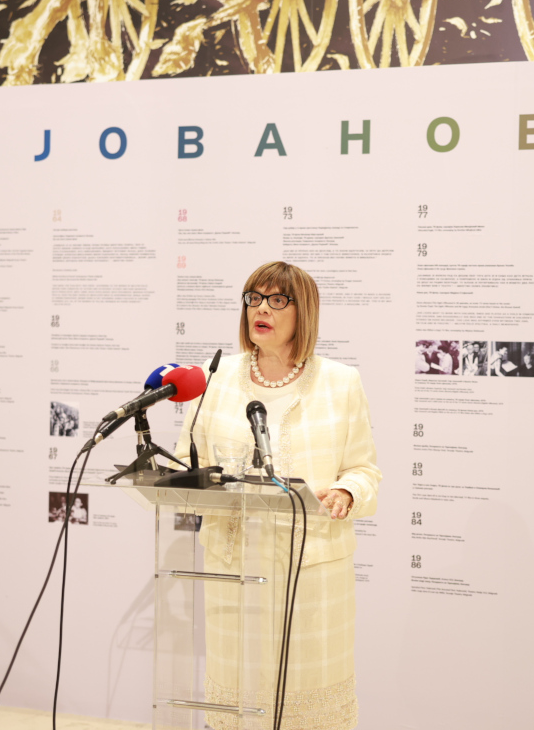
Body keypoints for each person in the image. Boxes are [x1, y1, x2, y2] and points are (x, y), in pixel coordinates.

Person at [175, 261, 381, 730]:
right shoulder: (214, 377)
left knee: (305, 700)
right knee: (240, 695)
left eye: (276, 300)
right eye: (254, 298)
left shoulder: (340, 382)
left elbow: (364, 469)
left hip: (310, 568)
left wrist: (347, 491)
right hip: (233, 563)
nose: (261, 309)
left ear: (303, 311)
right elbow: (188, 461)